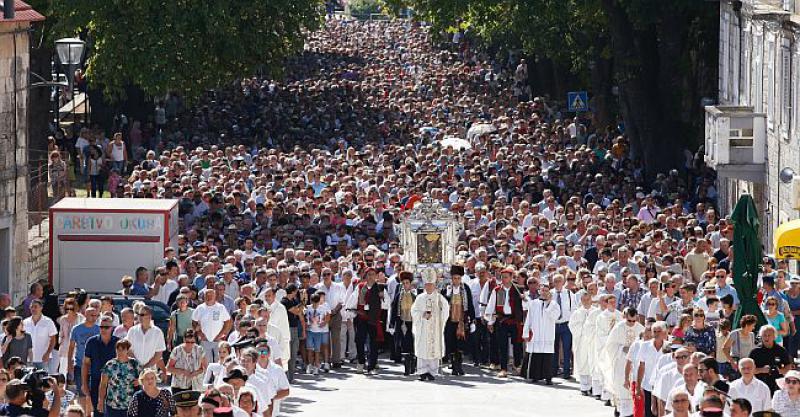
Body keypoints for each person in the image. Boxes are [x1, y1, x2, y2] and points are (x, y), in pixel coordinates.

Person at [484, 267, 524, 378]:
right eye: (502, 277)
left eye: (506, 277)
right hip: (502, 320)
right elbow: (491, 306)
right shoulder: (498, 290)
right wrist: (490, 322)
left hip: (515, 320)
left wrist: (524, 298)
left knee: (517, 344)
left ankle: (517, 365)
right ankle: (503, 369)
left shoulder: (518, 290)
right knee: (502, 345)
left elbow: (525, 306)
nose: (504, 279)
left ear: (511, 277)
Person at [604, 307, 644, 417]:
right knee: (621, 386)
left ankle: (631, 413)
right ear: (625, 317)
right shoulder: (618, 328)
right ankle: (620, 410)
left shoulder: (641, 329)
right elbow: (610, 345)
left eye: (633, 321)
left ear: (636, 318)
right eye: (629, 321)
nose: (631, 323)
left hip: (634, 364)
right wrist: (622, 348)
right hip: (621, 362)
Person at [411, 270, 449, 381]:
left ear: (434, 285)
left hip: (435, 327)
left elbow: (446, 310)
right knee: (423, 349)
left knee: (434, 349)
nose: (428, 287)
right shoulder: (420, 298)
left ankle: (432, 372)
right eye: (427, 285)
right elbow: (414, 311)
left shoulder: (439, 298)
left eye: (431, 285)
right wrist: (422, 315)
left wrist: (441, 314)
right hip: (423, 327)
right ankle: (422, 372)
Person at [521, 281, 560, 384]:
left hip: (547, 334)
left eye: (547, 291)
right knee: (535, 355)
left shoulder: (554, 304)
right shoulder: (533, 303)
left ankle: (548, 378)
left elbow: (555, 317)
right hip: (536, 334)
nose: (544, 292)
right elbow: (528, 318)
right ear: (539, 291)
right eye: (543, 290)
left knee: (547, 357)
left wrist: (549, 305)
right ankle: (535, 376)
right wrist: (525, 333)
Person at [350, 268, 386, 375]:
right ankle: (361, 362)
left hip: (373, 319)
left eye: (373, 274)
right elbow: (352, 301)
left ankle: (371, 366)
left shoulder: (380, 287)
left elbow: (386, 304)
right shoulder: (360, 287)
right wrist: (351, 312)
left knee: (373, 343)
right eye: (368, 274)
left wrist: (382, 298)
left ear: (376, 276)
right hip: (362, 318)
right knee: (359, 340)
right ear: (365, 276)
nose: (370, 276)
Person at [440, 266, 474, 376]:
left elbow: (470, 304)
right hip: (449, 320)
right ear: (451, 278)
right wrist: (448, 294)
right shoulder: (446, 288)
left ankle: (459, 365)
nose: (456, 280)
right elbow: (442, 304)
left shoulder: (466, 289)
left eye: (458, 278)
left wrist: (472, 320)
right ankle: (454, 366)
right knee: (451, 343)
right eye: (454, 278)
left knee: (460, 344)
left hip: (461, 320)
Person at [83, 314, 119, 414]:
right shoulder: (91, 342)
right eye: (101, 327)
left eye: (106, 327)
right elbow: (86, 364)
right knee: (98, 411)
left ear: (112, 328)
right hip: (96, 382)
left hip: (115, 384)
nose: (103, 329)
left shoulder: (118, 342)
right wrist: (85, 384)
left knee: (112, 413)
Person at [98, 339, 141, 417]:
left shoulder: (134, 363)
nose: (120, 352)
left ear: (127, 350)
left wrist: (139, 381)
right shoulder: (110, 364)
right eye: (118, 349)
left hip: (130, 404)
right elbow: (103, 384)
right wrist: (101, 401)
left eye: (123, 349)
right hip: (112, 404)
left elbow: (143, 378)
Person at [68, 306, 99, 410]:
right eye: (92, 315)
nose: (94, 317)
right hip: (80, 365)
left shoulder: (99, 329)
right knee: (81, 392)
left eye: (96, 315)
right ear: (85, 315)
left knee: (92, 393)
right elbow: (71, 347)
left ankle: (89, 413)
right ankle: (82, 411)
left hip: (94, 366)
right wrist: (69, 364)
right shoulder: (76, 329)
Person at [125, 306, 166, 379]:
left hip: (150, 373)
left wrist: (146, 368)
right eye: (138, 314)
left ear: (149, 316)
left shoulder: (157, 332)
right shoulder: (132, 330)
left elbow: (158, 354)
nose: (139, 317)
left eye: (142, 315)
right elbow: (128, 350)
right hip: (133, 370)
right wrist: (137, 366)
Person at [748, 324, 791, 393]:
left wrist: (779, 370)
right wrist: (761, 370)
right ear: (761, 336)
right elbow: (748, 369)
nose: (766, 337)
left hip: (777, 385)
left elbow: (788, 366)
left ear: (774, 337)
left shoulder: (781, 350)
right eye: (764, 335)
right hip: (759, 385)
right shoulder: (755, 351)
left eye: (769, 335)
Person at [192, 288, 231, 363]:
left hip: (218, 340)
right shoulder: (200, 308)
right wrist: (200, 334)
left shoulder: (221, 307)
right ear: (204, 297)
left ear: (215, 296)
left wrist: (220, 335)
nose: (209, 297)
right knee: (206, 363)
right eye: (207, 295)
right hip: (205, 340)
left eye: (211, 295)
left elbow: (227, 322)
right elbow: (194, 321)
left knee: (220, 362)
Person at [390, 271, 417, 376]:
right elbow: (393, 309)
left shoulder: (414, 296)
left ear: (410, 284)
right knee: (404, 345)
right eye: (404, 283)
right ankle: (407, 368)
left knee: (412, 345)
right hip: (402, 323)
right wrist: (392, 324)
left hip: (412, 323)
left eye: (407, 283)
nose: (405, 285)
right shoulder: (398, 296)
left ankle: (413, 365)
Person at [568, 290, 594, 394]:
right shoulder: (577, 313)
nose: (586, 302)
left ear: (591, 300)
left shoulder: (595, 312)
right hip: (581, 340)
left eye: (588, 299)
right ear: (581, 301)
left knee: (592, 362)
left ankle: (593, 386)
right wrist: (583, 328)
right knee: (582, 362)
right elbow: (572, 326)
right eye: (584, 300)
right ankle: (584, 387)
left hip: (592, 341)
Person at [23, 300, 57, 371]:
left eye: (35, 307)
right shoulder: (25, 322)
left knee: (43, 380)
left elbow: (53, 339)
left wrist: (48, 353)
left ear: (41, 308)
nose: (33, 309)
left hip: (43, 358)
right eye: (31, 307)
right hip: (29, 358)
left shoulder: (48, 322)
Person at [303, 293, 330, 376]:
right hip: (310, 331)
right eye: (313, 302)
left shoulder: (322, 308)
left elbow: (328, 316)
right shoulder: (308, 308)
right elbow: (303, 316)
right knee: (310, 349)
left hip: (318, 332)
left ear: (319, 302)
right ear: (311, 301)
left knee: (317, 350)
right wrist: (305, 323)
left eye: (316, 302)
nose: (315, 304)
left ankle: (316, 367)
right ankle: (310, 365)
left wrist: (324, 323)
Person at [56, 298, 83, 376]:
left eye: (71, 308)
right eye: (67, 308)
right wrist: (60, 343)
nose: (69, 310)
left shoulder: (81, 318)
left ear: (75, 308)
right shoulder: (63, 319)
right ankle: (62, 387)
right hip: (65, 347)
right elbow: (61, 334)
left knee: (77, 369)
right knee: (62, 371)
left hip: (77, 347)